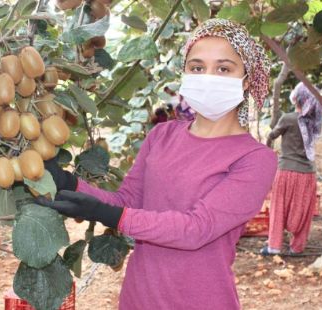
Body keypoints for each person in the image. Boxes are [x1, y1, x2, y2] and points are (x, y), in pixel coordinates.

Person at [39, 19, 277, 309]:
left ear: (247, 80)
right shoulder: (163, 135)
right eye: (197, 67)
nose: (208, 77)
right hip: (139, 297)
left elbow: (196, 229)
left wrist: (110, 215)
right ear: (186, 73)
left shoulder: (254, 158)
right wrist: (68, 183)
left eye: (224, 69)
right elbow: (126, 201)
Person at [261, 82, 322, 256]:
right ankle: (297, 247)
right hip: (308, 174)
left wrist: (268, 147)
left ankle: (274, 246)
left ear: (296, 98)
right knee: (302, 210)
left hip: (287, 170)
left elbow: (272, 135)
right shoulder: (314, 122)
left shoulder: (288, 118)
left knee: (279, 208)